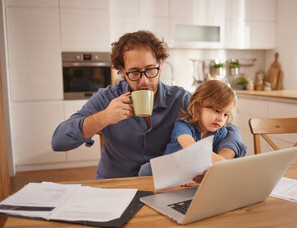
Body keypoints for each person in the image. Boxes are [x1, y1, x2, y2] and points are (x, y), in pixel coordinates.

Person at [51, 30, 247, 179]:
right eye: (134, 72)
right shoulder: (107, 98)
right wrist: (104, 118)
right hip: (114, 185)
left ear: (160, 64)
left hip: (162, 185)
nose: (144, 81)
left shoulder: (180, 99)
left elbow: (228, 128)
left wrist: (223, 159)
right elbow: (58, 142)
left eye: (150, 70)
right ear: (121, 71)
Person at [138, 80, 240, 177]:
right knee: (146, 170)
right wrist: (222, 163)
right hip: (168, 170)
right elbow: (190, 146)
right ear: (199, 106)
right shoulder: (184, 123)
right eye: (217, 111)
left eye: (226, 114)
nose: (221, 119)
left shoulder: (220, 132)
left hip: (190, 173)